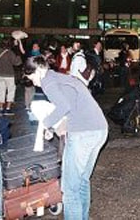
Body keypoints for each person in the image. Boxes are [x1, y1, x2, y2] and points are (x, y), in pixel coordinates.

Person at [24, 56, 108, 220]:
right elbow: (70, 107)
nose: (33, 82)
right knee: (82, 181)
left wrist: (46, 124)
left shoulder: (48, 81)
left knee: (69, 190)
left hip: (83, 133)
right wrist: (54, 126)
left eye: (32, 77)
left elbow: (63, 106)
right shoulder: (60, 77)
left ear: (39, 70)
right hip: (99, 129)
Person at [0, 38, 23, 113]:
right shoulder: (10, 52)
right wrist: (18, 53)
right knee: (11, 90)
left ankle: (0, 108)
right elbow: (17, 62)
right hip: (9, 74)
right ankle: (8, 108)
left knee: (1, 90)